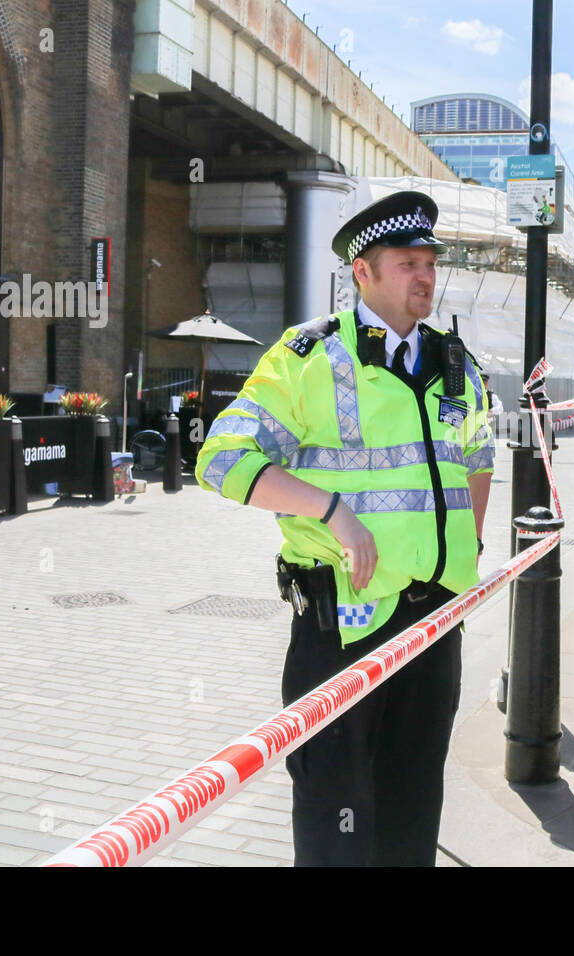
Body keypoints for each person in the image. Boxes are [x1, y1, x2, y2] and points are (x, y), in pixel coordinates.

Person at [195, 190, 495, 867]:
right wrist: (332, 511)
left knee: (413, 809)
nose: (425, 276)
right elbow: (220, 460)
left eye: (430, 263)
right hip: (341, 629)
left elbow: (478, 456)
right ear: (363, 272)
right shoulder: (308, 357)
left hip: (432, 626)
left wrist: (467, 550)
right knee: (336, 819)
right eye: (407, 263)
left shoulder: (454, 362)